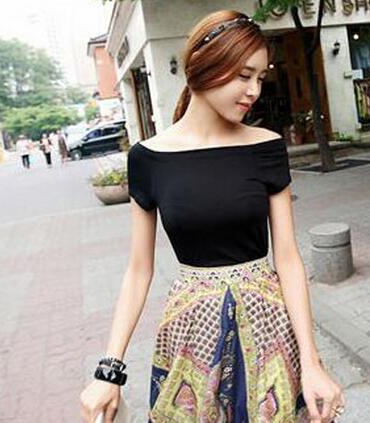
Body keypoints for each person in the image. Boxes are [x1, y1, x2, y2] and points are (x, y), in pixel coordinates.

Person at [80, 10, 345, 423]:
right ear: (205, 66)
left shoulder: (266, 147)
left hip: (269, 328)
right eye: (244, 75)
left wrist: (311, 363)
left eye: (260, 77)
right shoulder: (148, 159)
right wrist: (108, 371)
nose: (254, 90)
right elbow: (138, 271)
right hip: (191, 334)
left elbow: (288, 258)